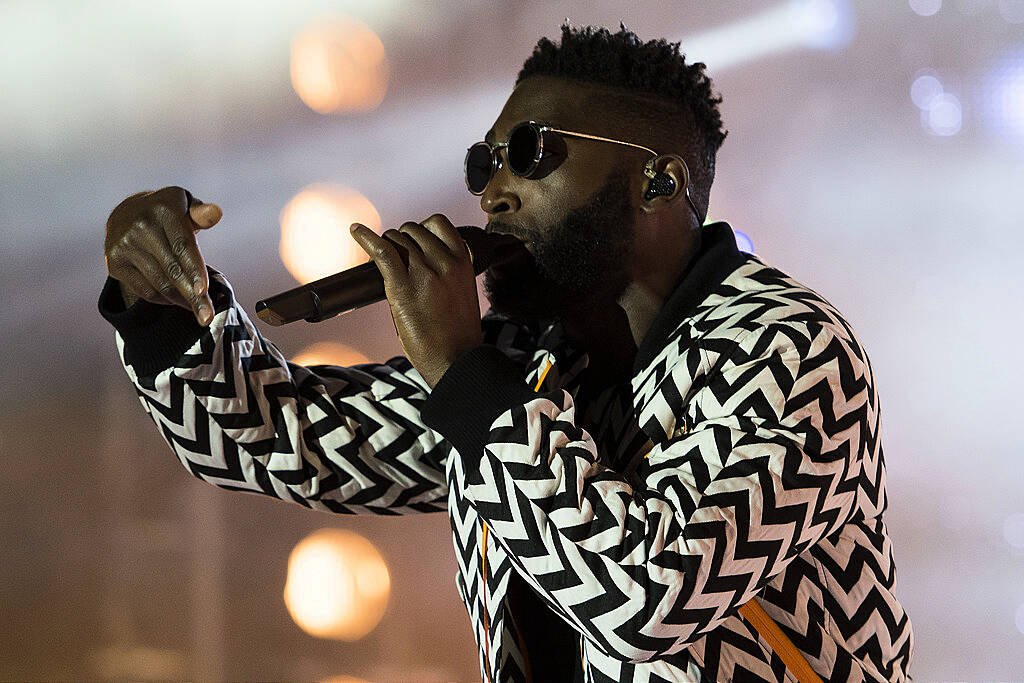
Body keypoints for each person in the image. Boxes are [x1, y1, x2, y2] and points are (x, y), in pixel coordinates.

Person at [98, 24, 913, 683]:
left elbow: (648, 598)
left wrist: (464, 375)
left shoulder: (788, 348)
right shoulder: (532, 366)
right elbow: (279, 437)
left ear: (658, 182)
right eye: (482, 163)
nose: (491, 192)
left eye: (530, 152)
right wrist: (165, 305)